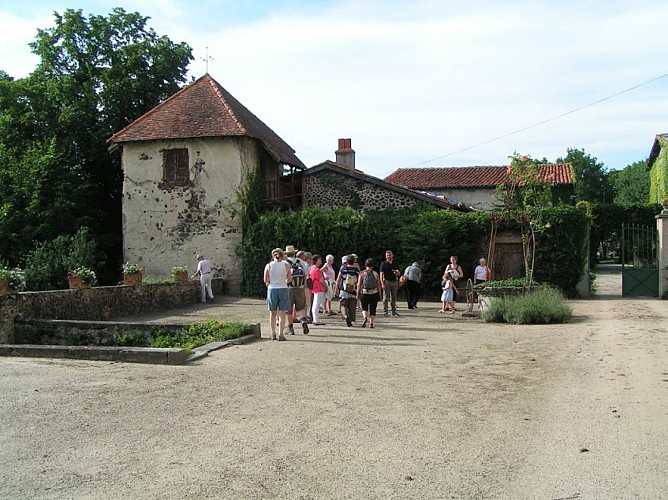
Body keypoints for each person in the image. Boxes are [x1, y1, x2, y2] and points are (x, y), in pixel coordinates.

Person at [263, 248, 292, 340]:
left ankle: (273, 333)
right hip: (283, 288)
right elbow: (290, 279)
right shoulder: (286, 265)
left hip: (272, 289)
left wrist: (269, 283)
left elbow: (265, 279)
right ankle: (281, 334)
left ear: (273, 256)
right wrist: (284, 281)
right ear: (282, 255)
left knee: (272, 313)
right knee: (282, 313)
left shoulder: (269, 265)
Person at [284, 245, 310, 335]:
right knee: (300, 307)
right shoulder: (301, 262)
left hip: (288, 288)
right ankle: (303, 321)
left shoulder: (285, 263)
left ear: (286, 254)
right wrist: (304, 286)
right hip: (300, 287)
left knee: (289, 309)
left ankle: (290, 328)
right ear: (294, 253)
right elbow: (306, 274)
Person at [336, 254, 360, 327]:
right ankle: (352, 320)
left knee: (343, 305)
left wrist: (336, 288)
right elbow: (359, 281)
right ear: (354, 261)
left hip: (344, 289)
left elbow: (338, 279)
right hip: (353, 289)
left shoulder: (343, 269)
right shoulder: (356, 270)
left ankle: (345, 316)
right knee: (352, 306)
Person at [357, 258, 380, 328]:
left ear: (365, 265)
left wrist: (358, 293)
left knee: (364, 308)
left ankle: (365, 318)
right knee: (373, 308)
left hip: (364, 293)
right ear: (373, 265)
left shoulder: (362, 273)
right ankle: (371, 323)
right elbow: (378, 285)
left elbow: (359, 284)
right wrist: (380, 293)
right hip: (374, 293)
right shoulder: (375, 273)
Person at [379, 250, 401, 316]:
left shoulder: (395, 263)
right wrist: (382, 284)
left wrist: (397, 273)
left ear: (392, 255)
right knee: (385, 298)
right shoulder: (383, 264)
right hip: (387, 282)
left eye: (390, 255)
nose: (389, 257)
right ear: (386, 257)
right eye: (387, 255)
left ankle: (393, 311)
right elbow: (381, 274)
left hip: (394, 282)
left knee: (393, 298)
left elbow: (399, 273)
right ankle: (385, 312)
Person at [310, 254, 328, 325]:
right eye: (319, 259)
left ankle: (315, 319)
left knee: (315, 303)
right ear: (316, 261)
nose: (320, 261)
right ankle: (316, 320)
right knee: (317, 304)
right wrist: (326, 287)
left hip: (315, 287)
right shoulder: (316, 269)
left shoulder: (312, 268)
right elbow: (321, 280)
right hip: (319, 288)